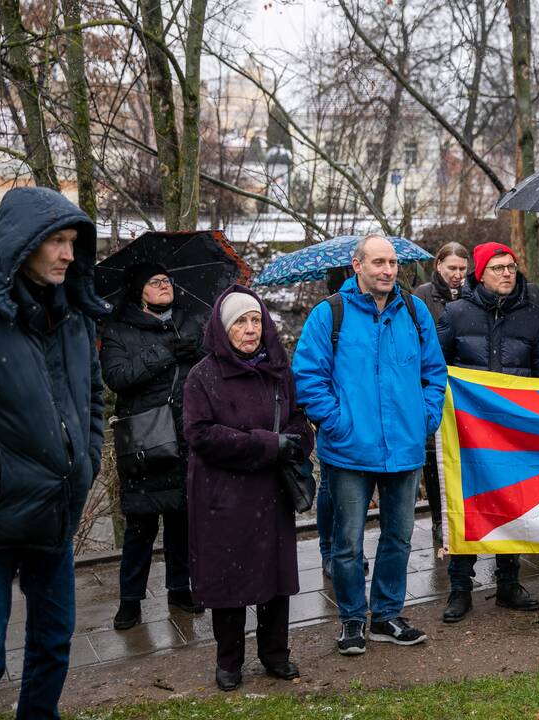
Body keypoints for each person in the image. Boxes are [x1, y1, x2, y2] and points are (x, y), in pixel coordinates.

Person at [0, 187, 112, 719]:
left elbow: (92, 398)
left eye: (73, 243)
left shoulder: (76, 311)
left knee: (52, 646)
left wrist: (83, 466)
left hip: (54, 518)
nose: (69, 254)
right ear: (23, 244)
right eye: (57, 242)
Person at [293, 234, 448, 656]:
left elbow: (435, 373)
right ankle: (350, 620)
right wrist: (337, 422)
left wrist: (425, 418)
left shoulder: (414, 311)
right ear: (357, 266)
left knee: (398, 538)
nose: (388, 270)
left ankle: (386, 615)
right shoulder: (330, 314)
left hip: (404, 446)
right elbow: (308, 378)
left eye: (393, 263)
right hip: (349, 450)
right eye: (379, 262)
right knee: (347, 543)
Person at [182, 287, 312, 691]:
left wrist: (295, 439)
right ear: (223, 328)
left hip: (270, 495)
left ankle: (276, 654)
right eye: (241, 321)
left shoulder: (277, 370)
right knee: (230, 582)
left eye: (256, 320)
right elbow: (200, 434)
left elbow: (297, 420)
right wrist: (268, 444)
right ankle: (229, 661)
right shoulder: (203, 376)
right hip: (224, 495)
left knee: (274, 580)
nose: (251, 329)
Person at [436, 241, 539, 622]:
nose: (507, 273)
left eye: (511, 267)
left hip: (515, 433)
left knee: (512, 503)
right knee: (466, 504)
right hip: (467, 432)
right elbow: (436, 369)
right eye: (498, 268)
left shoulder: (534, 316)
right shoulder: (455, 315)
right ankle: (460, 587)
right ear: (480, 274)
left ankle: (509, 581)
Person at [100, 264, 205, 630]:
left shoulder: (191, 322)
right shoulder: (117, 329)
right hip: (145, 440)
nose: (164, 286)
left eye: (167, 281)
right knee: (140, 526)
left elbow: (208, 369)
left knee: (183, 521)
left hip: (185, 436)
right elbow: (118, 377)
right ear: (138, 290)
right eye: (155, 282)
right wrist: (165, 352)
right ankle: (130, 600)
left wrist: (198, 349)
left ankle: (180, 588)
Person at [414, 242, 470, 544]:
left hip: (465, 386)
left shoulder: (472, 293)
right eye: (452, 269)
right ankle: (438, 518)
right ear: (439, 266)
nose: (457, 275)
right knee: (434, 457)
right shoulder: (422, 296)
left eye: (462, 269)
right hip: (434, 383)